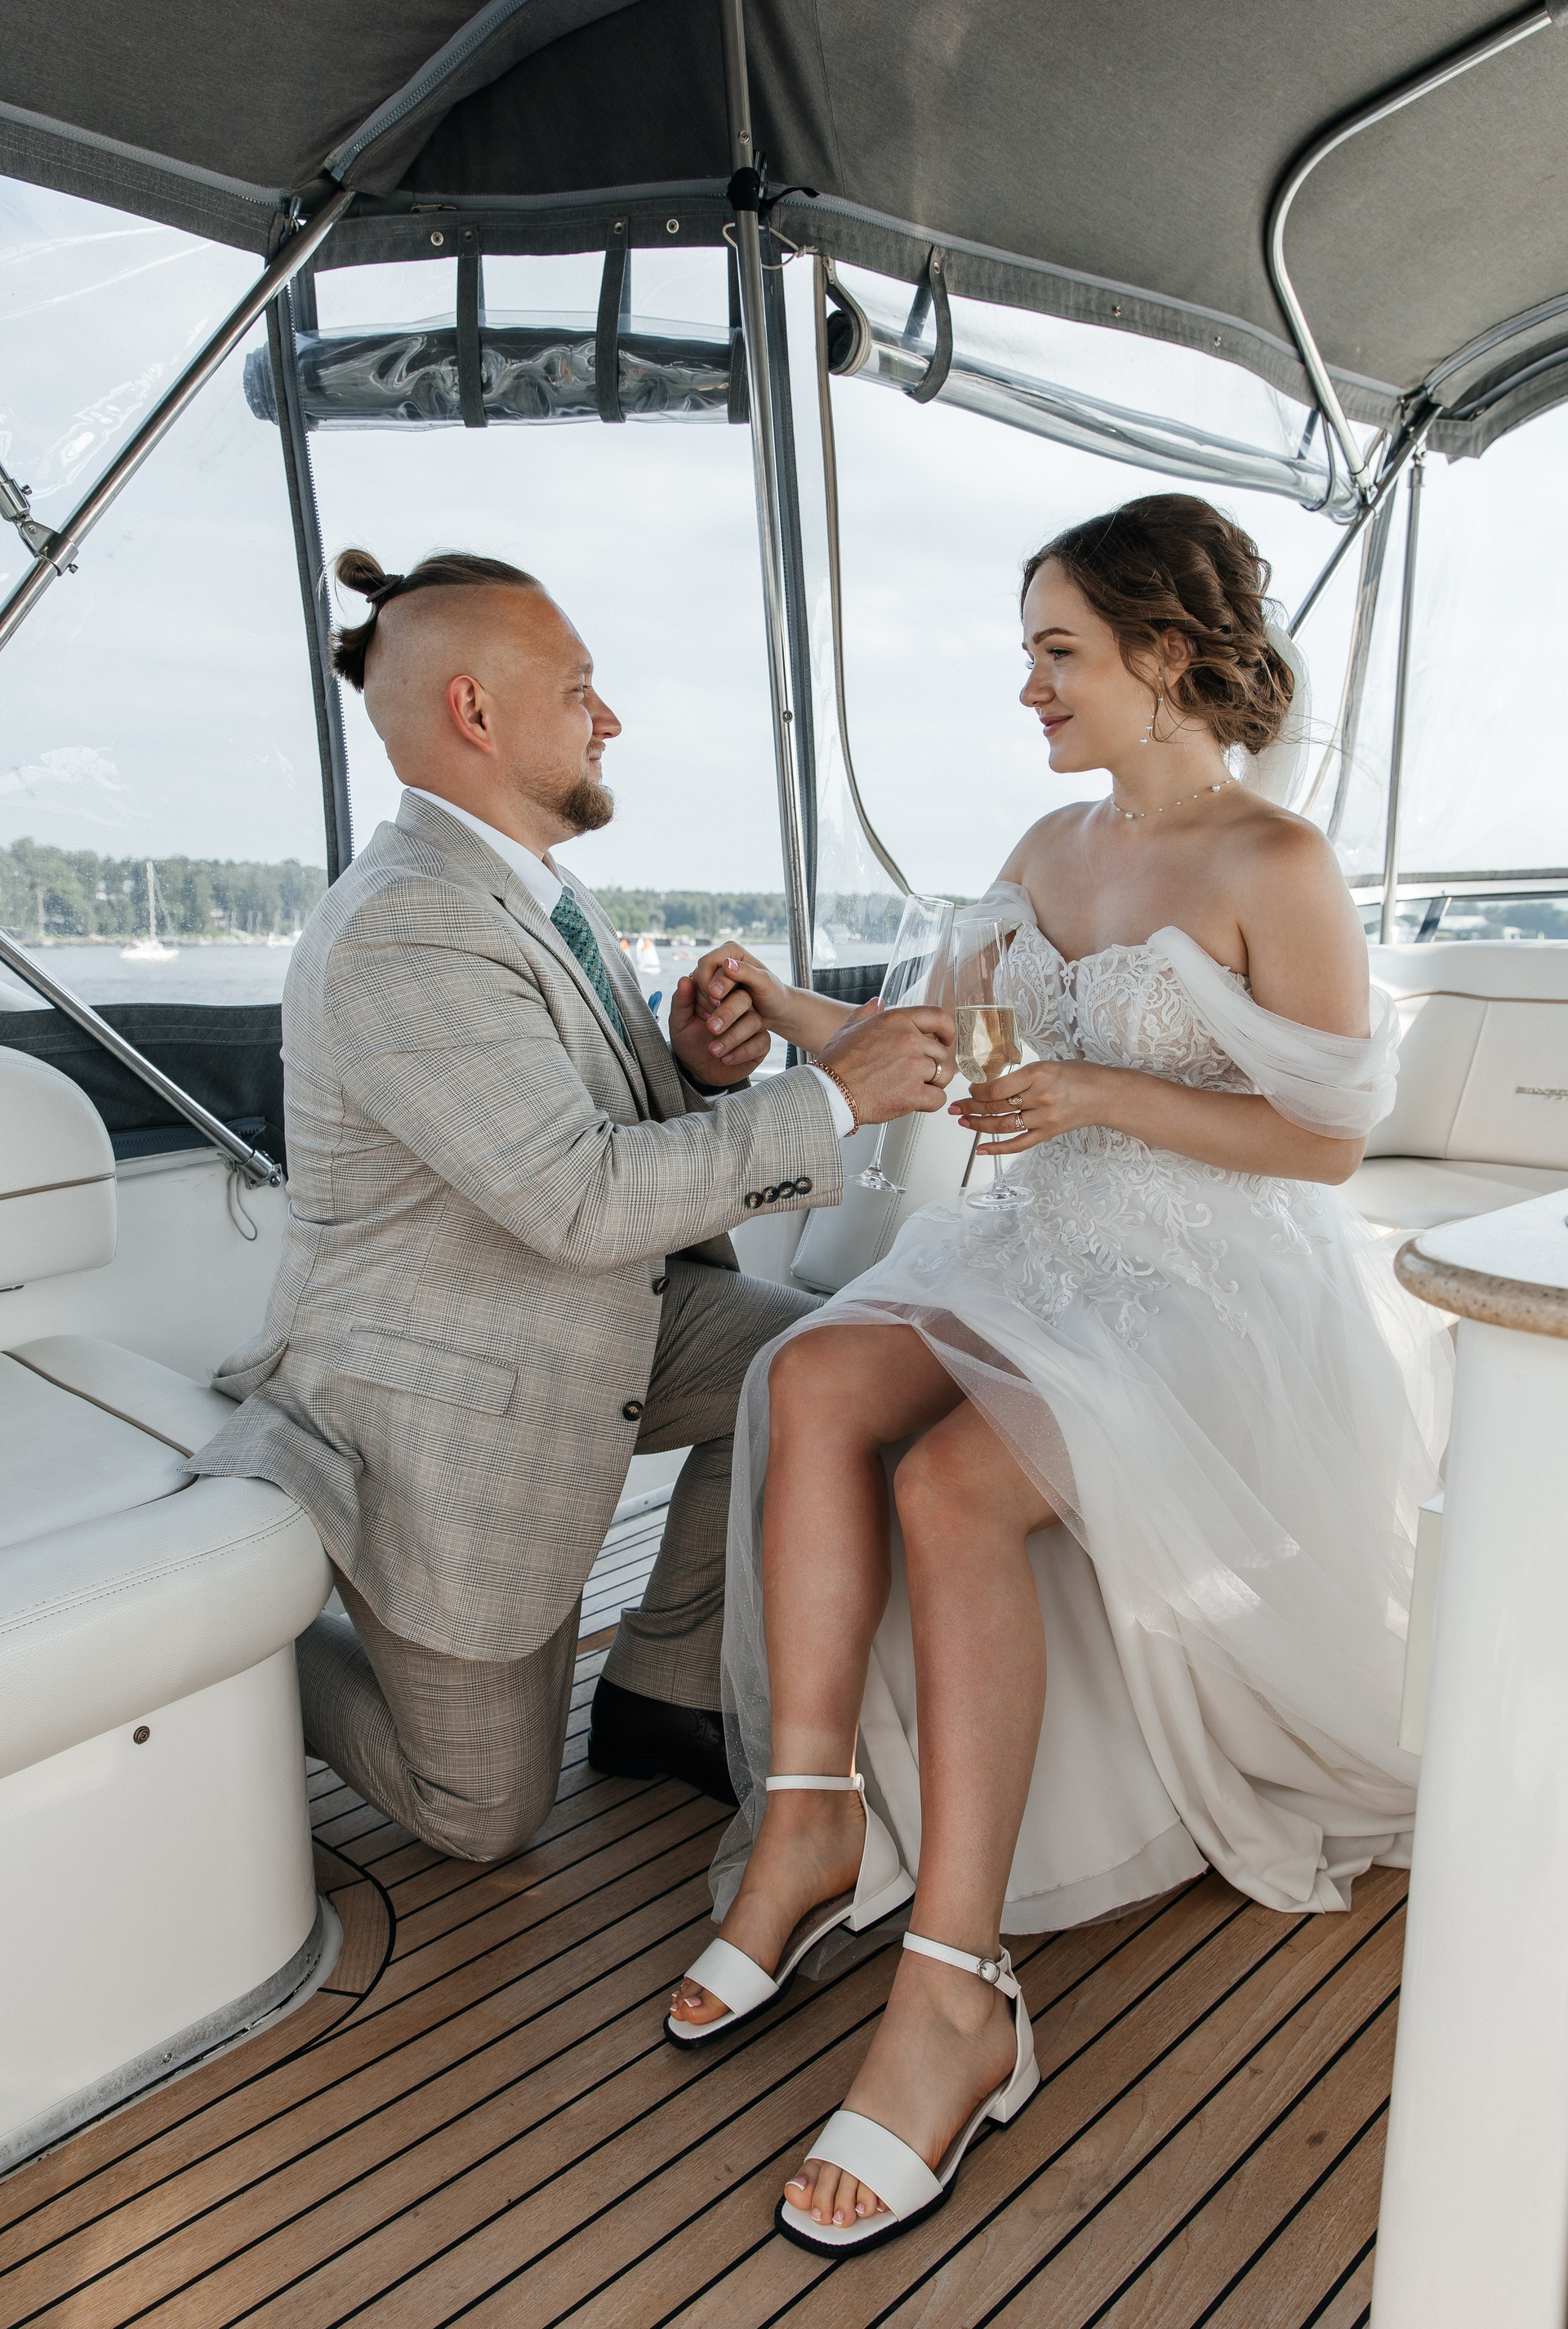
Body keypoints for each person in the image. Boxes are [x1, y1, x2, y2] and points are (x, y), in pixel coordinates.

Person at [665, 494, 1452, 2252]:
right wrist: (778, 1012)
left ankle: (955, 1994)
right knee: (810, 1380)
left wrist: (1097, 1093)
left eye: (1057, 652)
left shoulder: (1276, 864)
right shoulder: (1044, 844)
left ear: (1164, 655)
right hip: (1037, 1243)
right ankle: (808, 1827)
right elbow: (946, 1055)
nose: (1029, 686)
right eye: (1029, 652)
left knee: (951, 1487)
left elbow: (1325, 1144)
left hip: (1210, 1277)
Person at [190, 547, 954, 1861]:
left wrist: (696, 1065)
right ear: (476, 711)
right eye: (580, 689)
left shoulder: (527, 885)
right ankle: (227, 1641)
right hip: (446, 1391)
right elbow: (584, 1195)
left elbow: (580, 1126)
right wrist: (835, 1095)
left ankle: (663, 1687)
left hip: (597, 1314)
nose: (611, 719)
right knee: (481, 1812)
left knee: (830, 1364)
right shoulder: (404, 925)